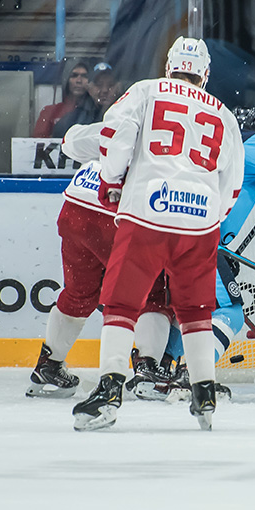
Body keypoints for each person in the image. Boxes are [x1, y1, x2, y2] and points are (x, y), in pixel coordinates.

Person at [71, 36, 244, 432]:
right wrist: (209, 217)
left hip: (149, 209)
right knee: (196, 309)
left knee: (122, 302)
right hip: (200, 219)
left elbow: (115, 137)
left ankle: (110, 390)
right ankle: (204, 391)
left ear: (170, 66)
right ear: (205, 74)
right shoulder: (223, 114)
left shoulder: (146, 90)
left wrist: (112, 179)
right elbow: (231, 182)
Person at [145, 105, 255, 396]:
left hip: (159, 231)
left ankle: (160, 368)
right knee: (228, 312)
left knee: (187, 309)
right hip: (199, 238)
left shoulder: (203, 143)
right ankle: (191, 375)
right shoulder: (253, 141)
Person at [24, 122, 170, 400]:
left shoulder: (117, 123)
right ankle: (147, 369)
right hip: (115, 213)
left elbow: (70, 142)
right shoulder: (164, 133)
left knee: (79, 293)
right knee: (155, 291)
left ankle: (49, 364)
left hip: (75, 209)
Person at [51, 63, 123, 139]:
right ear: (89, 88)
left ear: (118, 88)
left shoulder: (127, 116)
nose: (105, 90)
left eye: (110, 85)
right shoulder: (73, 120)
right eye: (99, 84)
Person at [33, 61, 93, 138]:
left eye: (85, 76)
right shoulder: (49, 112)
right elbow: (38, 142)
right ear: (66, 79)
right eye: (74, 75)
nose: (79, 81)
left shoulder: (95, 113)